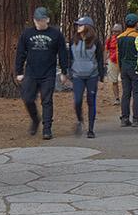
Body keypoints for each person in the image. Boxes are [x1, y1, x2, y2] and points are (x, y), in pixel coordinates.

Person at [15, 7, 69, 139]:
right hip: (31, 73)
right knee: (28, 99)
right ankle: (35, 119)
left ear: (47, 20)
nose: (40, 22)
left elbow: (62, 53)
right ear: (34, 20)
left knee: (47, 101)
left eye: (42, 20)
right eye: (37, 20)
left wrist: (64, 71)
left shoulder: (56, 34)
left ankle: (47, 129)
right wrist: (19, 71)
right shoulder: (27, 34)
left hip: (48, 73)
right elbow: (20, 53)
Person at [65, 16, 106, 138]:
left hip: (92, 76)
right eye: (77, 25)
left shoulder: (96, 42)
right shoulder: (73, 40)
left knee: (91, 101)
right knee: (77, 101)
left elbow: (99, 59)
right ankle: (79, 119)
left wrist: (101, 77)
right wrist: (68, 72)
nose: (78, 27)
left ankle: (91, 129)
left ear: (88, 27)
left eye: (80, 25)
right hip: (77, 75)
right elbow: (69, 57)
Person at [112, 15, 138, 127]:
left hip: (124, 67)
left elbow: (118, 54)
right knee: (137, 93)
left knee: (125, 93)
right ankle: (136, 119)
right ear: (136, 24)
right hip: (135, 67)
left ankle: (124, 118)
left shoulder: (119, 37)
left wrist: (120, 68)